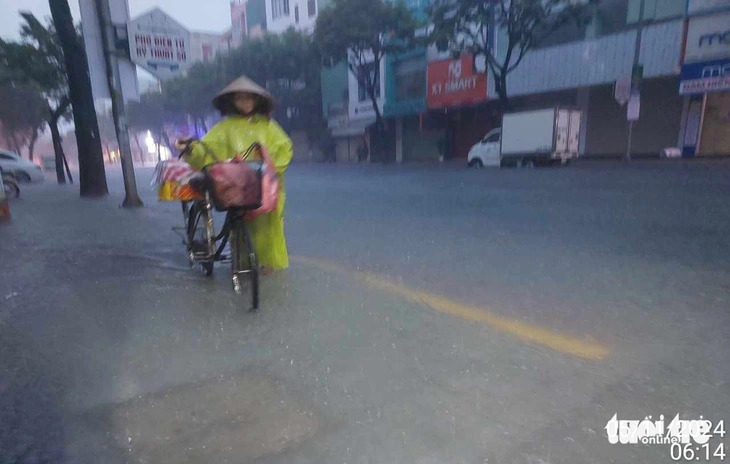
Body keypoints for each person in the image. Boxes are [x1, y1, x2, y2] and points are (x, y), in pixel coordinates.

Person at [175, 76, 293, 274]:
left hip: (266, 187)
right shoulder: (225, 128)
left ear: (256, 100)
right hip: (238, 185)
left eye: (249, 98)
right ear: (233, 101)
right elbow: (207, 149)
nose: (245, 103)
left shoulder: (268, 126)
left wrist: (270, 168)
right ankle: (243, 268)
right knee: (240, 224)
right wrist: (189, 148)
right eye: (240, 98)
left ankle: (268, 267)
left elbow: (285, 149)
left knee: (270, 230)